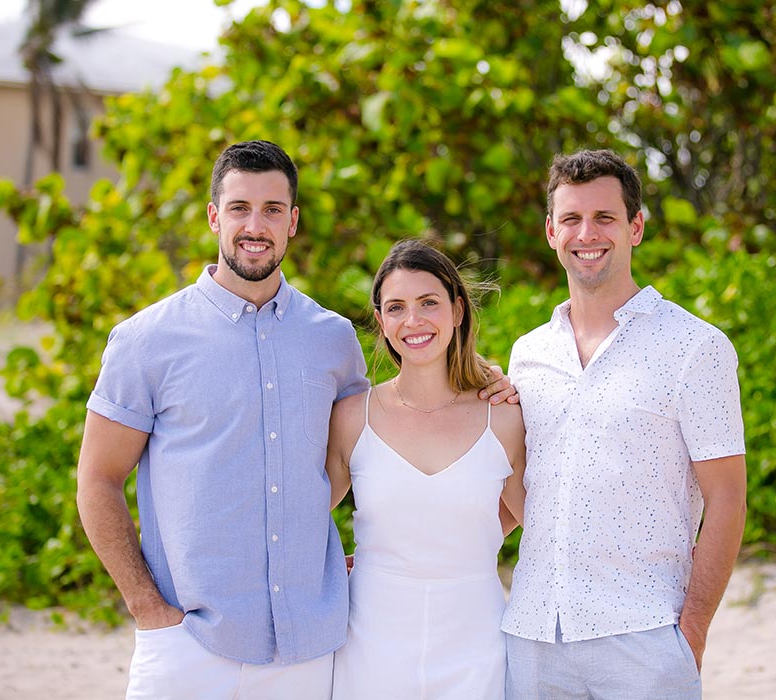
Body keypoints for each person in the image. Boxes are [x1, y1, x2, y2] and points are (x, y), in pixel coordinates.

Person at [75, 140, 514, 700]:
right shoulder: (146, 340)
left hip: (307, 649)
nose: (255, 225)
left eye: (273, 209)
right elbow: (97, 480)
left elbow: (389, 440)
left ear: (293, 221)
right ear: (214, 216)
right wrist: (145, 605)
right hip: (188, 641)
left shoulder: (330, 338)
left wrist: (476, 377)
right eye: (239, 208)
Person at [502, 149, 747, 700]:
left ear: (635, 227)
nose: (587, 233)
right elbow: (525, 495)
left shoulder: (695, 347)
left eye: (605, 218)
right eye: (571, 219)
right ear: (550, 231)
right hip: (533, 635)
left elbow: (728, 500)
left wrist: (692, 633)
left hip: (644, 637)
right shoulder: (528, 354)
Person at [325, 239, 526, 699]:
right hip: (371, 644)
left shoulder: (505, 414)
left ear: (457, 311)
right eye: (396, 307)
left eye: (428, 303)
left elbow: (541, 520)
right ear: (381, 322)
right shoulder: (354, 417)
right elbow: (298, 514)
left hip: (476, 641)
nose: (412, 321)